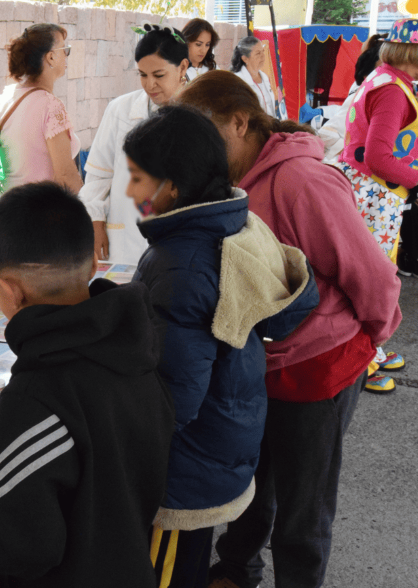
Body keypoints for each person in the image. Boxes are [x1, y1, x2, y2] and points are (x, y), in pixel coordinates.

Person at [178, 70, 402, 588]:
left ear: (240, 123)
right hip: (258, 368)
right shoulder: (231, 179)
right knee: (253, 483)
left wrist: (370, 338)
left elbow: (371, 275)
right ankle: (237, 570)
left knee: (303, 509)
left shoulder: (302, 181)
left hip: (319, 370)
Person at [124, 105, 318, 588]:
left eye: (137, 178)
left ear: (173, 186)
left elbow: (173, 400)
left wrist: (114, 438)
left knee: (167, 571)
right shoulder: (223, 226)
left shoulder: (183, 263)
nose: (129, 191)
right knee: (185, 562)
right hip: (217, 438)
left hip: (184, 462)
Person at [0, 181, 175, 588]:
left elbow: (22, 548)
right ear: (93, 265)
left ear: (9, 290)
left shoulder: (34, 394)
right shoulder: (136, 351)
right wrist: (9, 462)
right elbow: (102, 457)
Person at [336, 19, 418, 393]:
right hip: (376, 195)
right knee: (372, 281)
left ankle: (372, 349)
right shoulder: (393, 92)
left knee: (369, 276)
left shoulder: (384, 77)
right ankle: (362, 362)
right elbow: (379, 157)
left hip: (367, 191)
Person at [79, 23, 189, 265]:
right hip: (124, 236)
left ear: (182, 67)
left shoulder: (200, 113)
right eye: (142, 75)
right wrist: (96, 221)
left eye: (158, 75)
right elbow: (99, 175)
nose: (149, 85)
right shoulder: (120, 109)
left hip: (179, 238)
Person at [0, 23, 82, 194]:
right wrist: (89, 207)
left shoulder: (8, 97)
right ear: (51, 57)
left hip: (7, 204)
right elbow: (66, 177)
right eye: (65, 49)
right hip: (40, 207)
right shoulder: (50, 106)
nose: (66, 55)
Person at [318, 33, 386, 162]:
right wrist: (353, 153)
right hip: (349, 164)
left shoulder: (369, 88)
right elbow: (326, 134)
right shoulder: (365, 92)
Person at [230, 37, 276, 118]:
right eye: (258, 53)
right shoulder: (238, 81)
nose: (263, 56)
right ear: (245, 59)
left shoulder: (264, 77)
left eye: (263, 51)